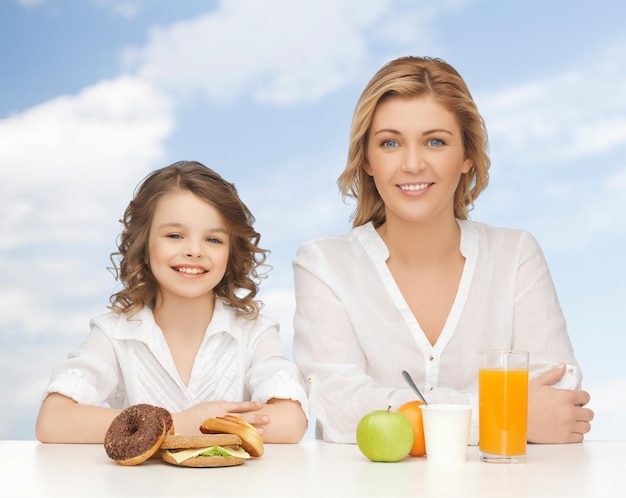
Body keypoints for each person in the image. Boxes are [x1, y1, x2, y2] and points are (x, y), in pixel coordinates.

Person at [292, 56, 593, 445]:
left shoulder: (515, 254)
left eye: (435, 141)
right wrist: (504, 417)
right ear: (366, 160)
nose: (413, 163)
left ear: (467, 156)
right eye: (390, 143)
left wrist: (407, 416)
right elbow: (341, 408)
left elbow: (559, 392)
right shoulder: (324, 265)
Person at [36, 161, 308, 444]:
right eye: (174, 236)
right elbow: (53, 420)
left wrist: (150, 428)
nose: (194, 251)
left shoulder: (254, 332)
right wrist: (180, 423)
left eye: (213, 239)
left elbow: (290, 423)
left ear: (231, 253)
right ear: (144, 246)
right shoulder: (114, 333)